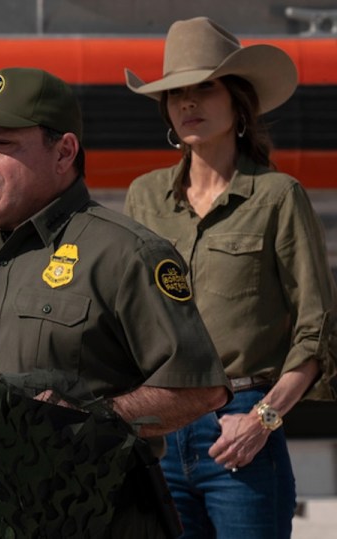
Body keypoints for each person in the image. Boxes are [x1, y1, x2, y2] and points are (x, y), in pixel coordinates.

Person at [0, 67, 231, 534]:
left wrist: (95, 419)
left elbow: (200, 387)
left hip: (86, 517)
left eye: (3, 145)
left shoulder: (125, 252)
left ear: (64, 152)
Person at [123, 17, 336, 538]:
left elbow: (317, 332)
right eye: (177, 93)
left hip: (241, 425)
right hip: (155, 427)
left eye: (205, 88)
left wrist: (262, 421)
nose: (188, 102)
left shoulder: (277, 196)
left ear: (239, 103)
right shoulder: (143, 198)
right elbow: (121, 316)